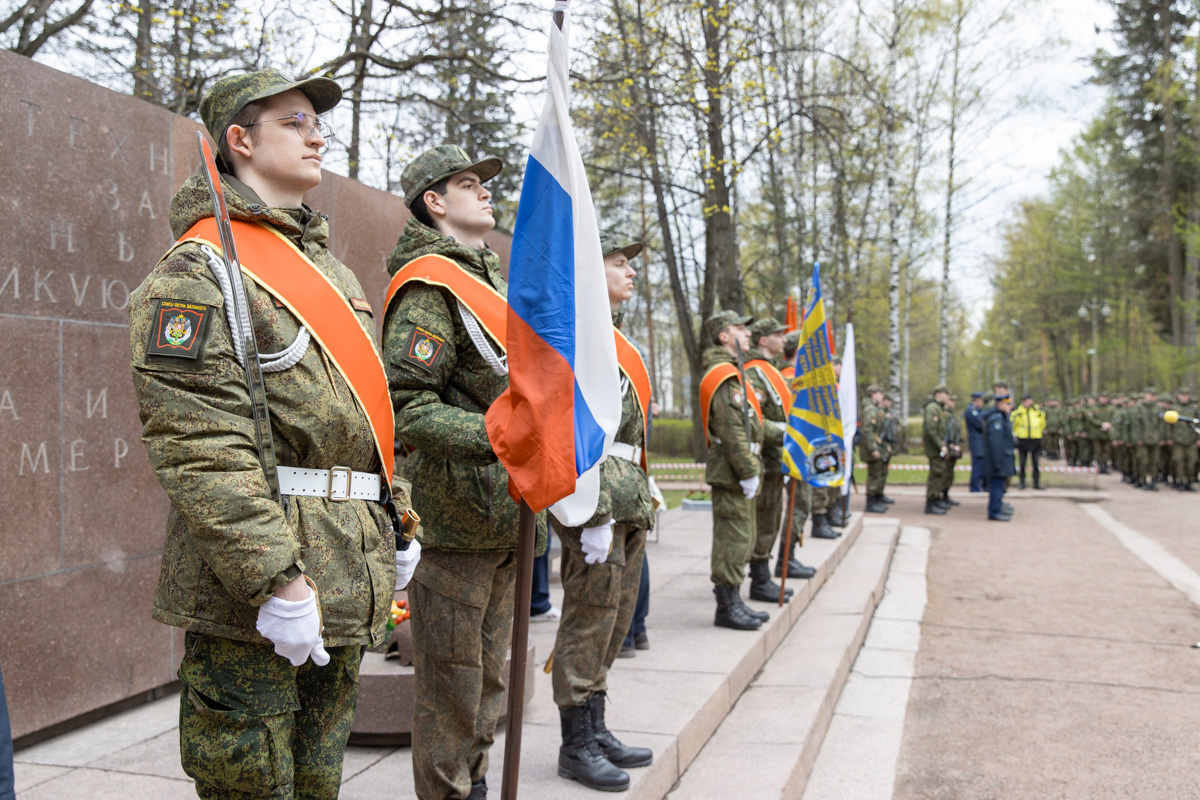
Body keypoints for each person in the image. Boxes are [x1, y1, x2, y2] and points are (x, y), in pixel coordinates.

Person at [129, 69, 410, 799]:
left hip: (347, 571)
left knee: (317, 785)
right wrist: (276, 580)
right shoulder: (199, 272)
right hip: (257, 594)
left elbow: (369, 417)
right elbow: (199, 447)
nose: (318, 134)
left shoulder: (331, 271)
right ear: (241, 140)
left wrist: (397, 520)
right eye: (294, 122)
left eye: (316, 122)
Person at [383, 145, 548, 800]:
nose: (485, 194)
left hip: (501, 517)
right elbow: (406, 407)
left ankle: (472, 786)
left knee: (488, 681)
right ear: (434, 201)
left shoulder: (489, 286)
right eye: (468, 183)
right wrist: (497, 438)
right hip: (453, 524)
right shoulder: (429, 287)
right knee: (451, 689)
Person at [548, 232, 656, 791]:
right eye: (618, 264)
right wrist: (587, 512)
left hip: (625, 494)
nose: (630, 272)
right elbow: (569, 427)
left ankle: (597, 723)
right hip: (597, 500)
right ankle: (575, 743)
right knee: (589, 618)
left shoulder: (613, 340)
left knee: (614, 617)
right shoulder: (577, 339)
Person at [700, 310, 768, 631]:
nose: (747, 333)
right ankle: (726, 606)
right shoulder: (722, 374)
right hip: (732, 471)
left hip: (737, 469)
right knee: (733, 538)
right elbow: (732, 430)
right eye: (739, 328)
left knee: (743, 537)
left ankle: (735, 599)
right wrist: (748, 469)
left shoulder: (733, 372)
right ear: (722, 336)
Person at [744, 317, 805, 598]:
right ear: (762, 340)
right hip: (765, 460)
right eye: (777, 335)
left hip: (776, 459)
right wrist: (787, 433)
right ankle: (759, 579)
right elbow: (755, 419)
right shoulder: (754, 373)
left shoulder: (773, 372)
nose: (784, 339)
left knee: (772, 519)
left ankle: (763, 575)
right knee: (765, 520)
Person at [777, 331, 819, 577]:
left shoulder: (790, 376)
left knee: (802, 504)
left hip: (801, 450)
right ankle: (785, 560)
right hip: (795, 452)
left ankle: (788, 557)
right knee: (799, 505)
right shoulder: (791, 378)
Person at [982, 391, 1017, 521]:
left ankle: (997, 508)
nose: (1010, 407)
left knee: (999, 487)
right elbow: (995, 444)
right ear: (1000, 404)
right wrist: (997, 463)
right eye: (1008, 404)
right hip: (998, 461)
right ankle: (994, 512)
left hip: (1001, 460)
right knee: (996, 487)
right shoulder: (996, 419)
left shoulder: (1001, 418)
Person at [922, 385, 954, 515]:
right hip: (935, 449)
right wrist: (941, 445)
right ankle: (931, 503)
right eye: (946, 394)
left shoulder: (938, 408)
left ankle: (935, 500)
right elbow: (931, 429)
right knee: (936, 476)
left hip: (939, 447)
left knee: (940, 475)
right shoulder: (932, 408)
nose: (948, 397)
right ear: (939, 394)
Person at [859, 384, 888, 513]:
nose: (881, 396)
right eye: (879, 393)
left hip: (877, 446)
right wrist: (873, 448)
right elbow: (868, 431)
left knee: (877, 474)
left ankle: (875, 500)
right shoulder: (870, 409)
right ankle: (870, 504)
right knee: (873, 476)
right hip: (872, 448)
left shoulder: (875, 409)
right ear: (873, 394)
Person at [1010, 394, 1046, 490]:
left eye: (1027, 400)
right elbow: (1013, 425)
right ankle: (1022, 483)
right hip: (1023, 440)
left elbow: (1042, 424)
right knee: (1022, 463)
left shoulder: (1039, 412)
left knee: (1035, 463)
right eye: (1023, 401)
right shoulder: (1018, 413)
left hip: (1035, 439)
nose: (1026, 402)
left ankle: (1036, 483)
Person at [1168, 387, 1198, 491]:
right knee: (1178, 461)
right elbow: (1168, 425)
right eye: (1182, 395)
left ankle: (1189, 482)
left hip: (1191, 440)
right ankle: (1180, 482)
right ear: (1178, 396)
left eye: (1186, 395)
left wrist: (1198, 438)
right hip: (1178, 440)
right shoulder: (1173, 408)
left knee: (1192, 461)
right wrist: (1169, 437)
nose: (1184, 397)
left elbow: (1198, 423)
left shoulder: (1193, 409)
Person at [1131, 387, 1160, 490]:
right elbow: (1135, 425)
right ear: (1145, 395)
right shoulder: (1138, 407)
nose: (1151, 397)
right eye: (1149, 394)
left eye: (1153, 395)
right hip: (1142, 439)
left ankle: (1153, 481)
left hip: (1154, 439)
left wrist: (1160, 437)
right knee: (1143, 460)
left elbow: (1160, 424)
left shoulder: (1157, 408)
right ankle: (1142, 480)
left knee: (1154, 461)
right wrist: (1138, 438)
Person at [1086, 392, 1114, 474]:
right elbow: (1091, 418)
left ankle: (1105, 466)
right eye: (1102, 397)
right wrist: (1101, 423)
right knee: (1098, 451)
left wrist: (1109, 424)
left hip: (1107, 433)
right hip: (1097, 433)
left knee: (1107, 451)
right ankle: (1099, 467)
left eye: (1105, 397)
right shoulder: (1093, 408)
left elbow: (1114, 417)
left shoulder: (1111, 408)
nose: (1103, 399)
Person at [964, 391, 987, 492]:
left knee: (982, 464)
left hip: (980, 441)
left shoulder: (978, 410)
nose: (983, 402)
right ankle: (974, 486)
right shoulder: (971, 410)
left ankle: (981, 485)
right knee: (977, 464)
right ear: (977, 400)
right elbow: (980, 424)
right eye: (982, 400)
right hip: (976, 441)